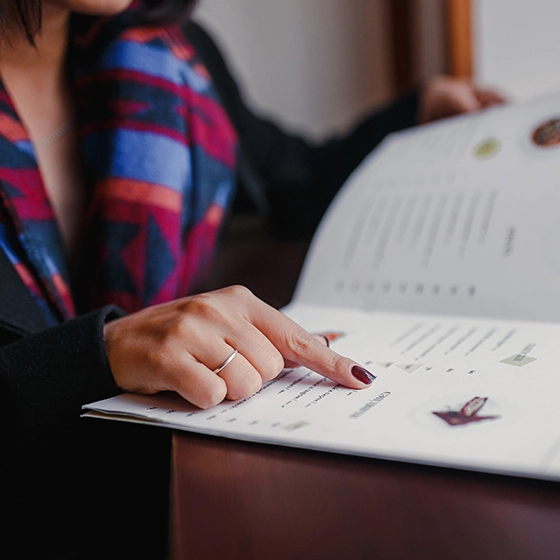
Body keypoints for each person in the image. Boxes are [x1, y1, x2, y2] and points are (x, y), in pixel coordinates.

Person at [0, 1, 505, 557]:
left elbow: (294, 183)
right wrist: (95, 356)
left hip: (171, 504)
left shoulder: (169, 59)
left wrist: (415, 117)